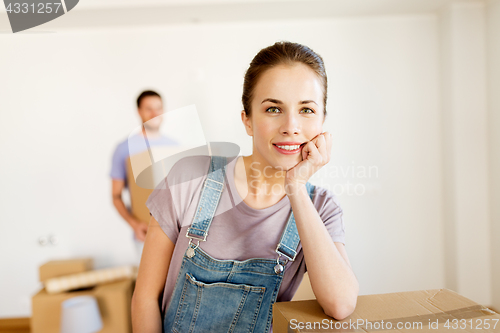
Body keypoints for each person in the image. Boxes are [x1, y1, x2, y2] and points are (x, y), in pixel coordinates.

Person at [131, 42, 359, 333]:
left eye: (306, 110)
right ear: (247, 120)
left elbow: (340, 304)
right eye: (273, 108)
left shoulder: (322, 207)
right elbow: (145, 298)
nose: (291, 126)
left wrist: (296, 188)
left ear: (322, 123)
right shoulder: (187, 178)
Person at [110, 90, 177, 263]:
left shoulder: (174, 147)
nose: (155, 114)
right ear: (139, 111)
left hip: (175, 234)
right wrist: (134, 225)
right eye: (149, 109)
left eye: (158, 108)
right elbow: (116, 195)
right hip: (145, 233)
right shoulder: (125, 148)